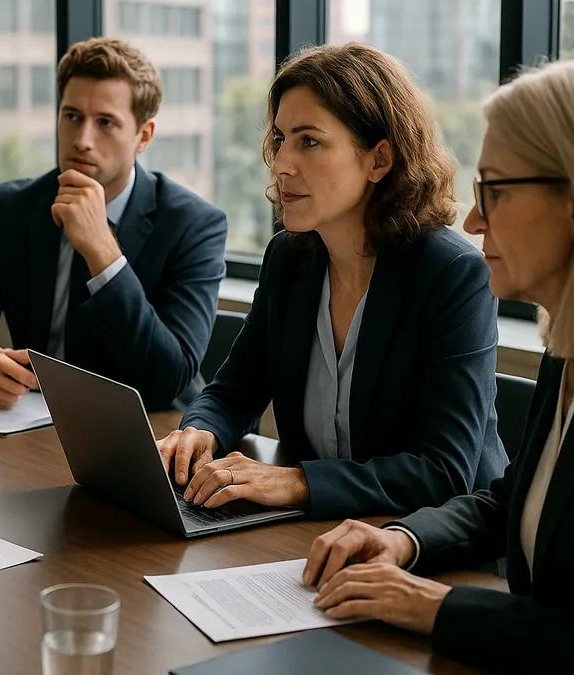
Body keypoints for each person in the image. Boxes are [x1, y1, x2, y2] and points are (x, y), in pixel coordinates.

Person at [156, 43, 507, 519]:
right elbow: (233, 391)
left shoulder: (451, 274)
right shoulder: (289, 258)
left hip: (439, 550)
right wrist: (198, 432)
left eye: (309, 141)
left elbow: (444, 471)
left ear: (379, 159)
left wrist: (297, 483)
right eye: (280, 139)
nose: (281, 165)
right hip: (320, 534)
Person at [303, 59, 574, 675]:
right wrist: (403, 539)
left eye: (496, 191)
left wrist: (439, 607)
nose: (474, 221)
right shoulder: (565, 353)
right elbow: (509, 502)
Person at [0, 37, 227, 412]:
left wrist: (104, 254)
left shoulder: (194, 225)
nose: (82, 140)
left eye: (106, 123)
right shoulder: (11, 208)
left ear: (143, 136)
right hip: (31, 429)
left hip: (150, 438)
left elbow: (167, 379)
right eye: (72, 117)